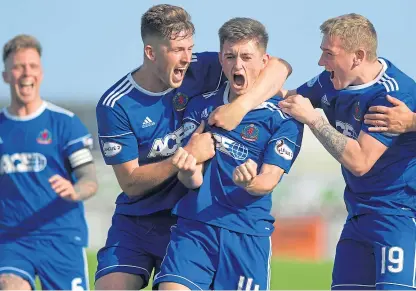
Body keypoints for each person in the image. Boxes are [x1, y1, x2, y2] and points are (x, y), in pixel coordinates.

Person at [94, 4, 292, 290]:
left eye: (190, 48)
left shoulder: (204, 66)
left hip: (191, 219)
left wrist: (241, 107)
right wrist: (183, 158)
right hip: (139, 221)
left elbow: (279, 67)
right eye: (177, 50)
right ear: (151, 52)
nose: (187, 58)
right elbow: (131, 184)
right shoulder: (116, 104)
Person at [153, 17, 304, 290]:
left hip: (247, 235)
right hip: (195, 228)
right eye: (230, 56)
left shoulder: (283, 118)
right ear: (221, 60)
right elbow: (193, 179)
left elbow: (269, 179)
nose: (238, 65)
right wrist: (187, 169)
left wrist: (250, 183)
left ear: (264, 61)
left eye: (247, 57)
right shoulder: (201, 105)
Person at [278, 13, 416, 290]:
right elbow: (288, 98)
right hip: (356, 216)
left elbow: (360, 161)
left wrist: (313, 119)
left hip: (398, 218)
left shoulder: (391, 95)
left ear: (357, 56)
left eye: (329, 54)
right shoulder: (330, 81)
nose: (321, 62)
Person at [0, 35, 98, 290]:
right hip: (12, 240)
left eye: (32, 66)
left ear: (41, 73)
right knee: (8, 285)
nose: (26, 73)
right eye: (18, 67)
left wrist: (74, 190)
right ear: (6, 75)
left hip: (62, 238)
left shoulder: (65, 124)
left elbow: (89, 179)